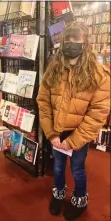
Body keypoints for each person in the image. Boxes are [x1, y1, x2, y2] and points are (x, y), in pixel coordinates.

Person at [36, 21, 110, 221]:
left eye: (75, 38)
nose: (70, 42)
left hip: (77, 136)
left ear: (85, 41)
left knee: (77, 169)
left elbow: (98, 112)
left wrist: (75, 140)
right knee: (58, 168)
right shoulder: (54, 68)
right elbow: (43, 101)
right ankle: (58, 195)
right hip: (56, 134)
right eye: (67, 37)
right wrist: (50, 133)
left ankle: (80, 200)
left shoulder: (98, 74)